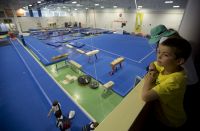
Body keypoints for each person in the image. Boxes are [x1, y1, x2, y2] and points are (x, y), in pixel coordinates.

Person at [142, 37, 192, 130]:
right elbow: (153, 64)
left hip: (171, 122)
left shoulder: (175, 80)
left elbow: (145, 96)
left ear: (179, 61)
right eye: (158, 52)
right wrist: (152, 70)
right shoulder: (167, 67)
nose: (159, 56)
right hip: (160, 115)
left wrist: (148, 80)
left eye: (165, 55)